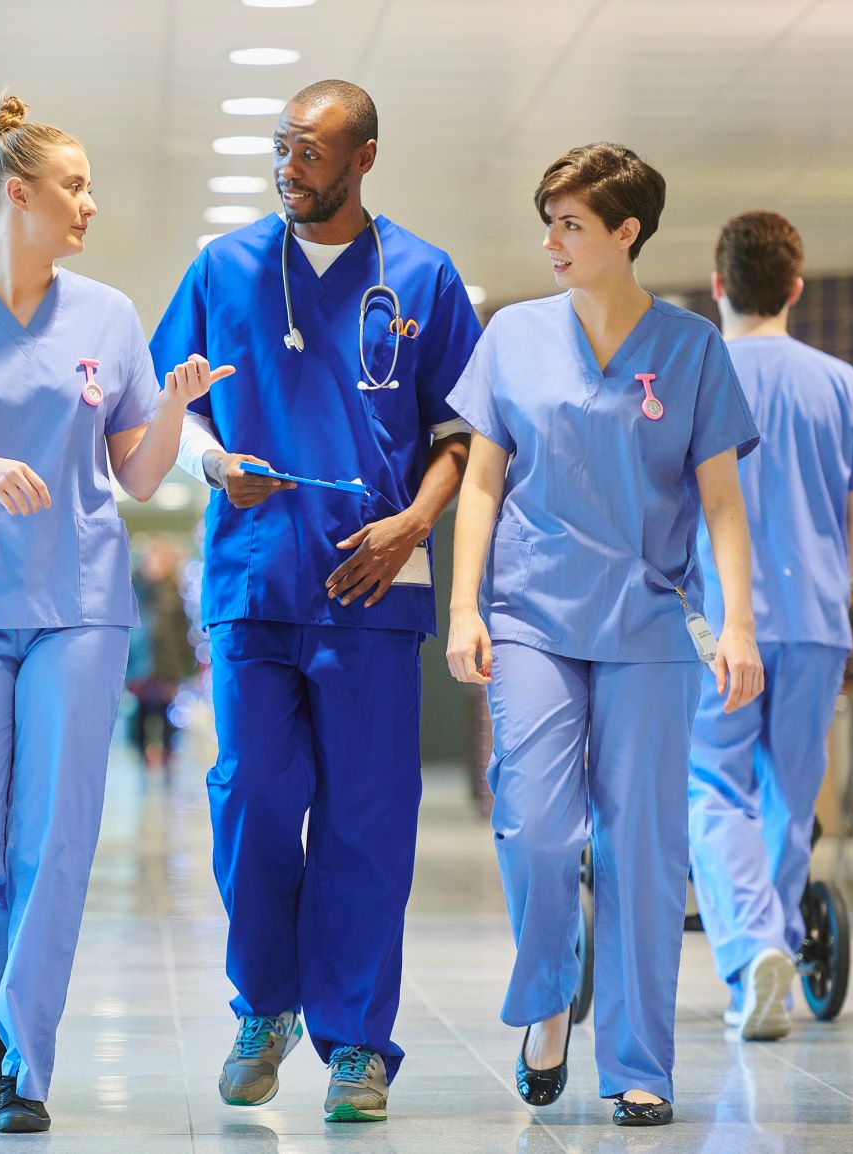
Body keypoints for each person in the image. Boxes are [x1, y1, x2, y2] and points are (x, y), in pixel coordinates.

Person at [0, 94, 222, 1134]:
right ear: (18, 195)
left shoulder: (107, 316)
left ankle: (28, 1050)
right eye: (75, 186)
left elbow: (137, 475)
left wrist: (174, 407)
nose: (90, 204)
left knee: (54, 837)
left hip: (83, 605)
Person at [152, 79, 482, 1124]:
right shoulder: (226, 267)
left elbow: (462, 436)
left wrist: (414, 523)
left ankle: (356, 1044)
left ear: (364, 158)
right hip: (255, 578)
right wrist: (211, 465)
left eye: (311, 150)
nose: (289, 165)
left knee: (367, 822)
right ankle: (264, 1005)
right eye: (282, 146)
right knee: (250, 794)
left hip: (372, 587)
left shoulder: (424, 274)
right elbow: (172, 408)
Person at [445, 143, 765, 1128]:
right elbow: (484, 480)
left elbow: (720, 504)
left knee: (645, 848)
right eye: (549, 219)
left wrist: (739, 622)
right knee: (536, 828)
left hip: (646, 620)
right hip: (534, 619)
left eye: (571, 223)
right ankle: (549, 994)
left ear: (626, 232)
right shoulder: (513, 336)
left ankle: (638, 1058)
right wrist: (463, 604)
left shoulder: (691, 346)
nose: (552, 239)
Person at [687, 212, 853, 1041]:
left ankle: (747, 954)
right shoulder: (840, 384)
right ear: (795, 289)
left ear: (717, 285)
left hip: (715, 628)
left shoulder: (693, 378)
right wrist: (824, 582)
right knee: (789, 793)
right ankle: (769, 946)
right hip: (813, 620)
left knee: (712, 785)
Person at [125, 538, 198, 768]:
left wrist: (188, 666)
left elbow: (182, 632)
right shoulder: (134, 589)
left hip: (166, 667)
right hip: (140, 665)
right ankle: (141, 758)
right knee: (140, 719)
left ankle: (166, 758)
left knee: (166, 717)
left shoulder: (175, 593)